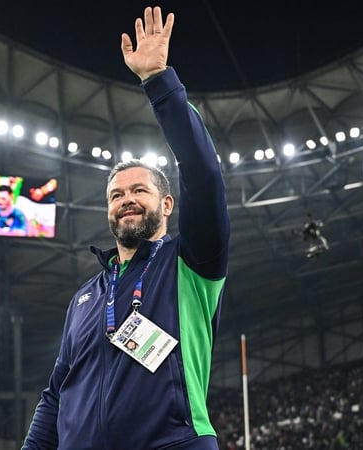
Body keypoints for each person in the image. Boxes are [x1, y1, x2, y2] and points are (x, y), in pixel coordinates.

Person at [22, 6, 230, 450]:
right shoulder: (83, 298)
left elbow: (204, 172)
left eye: (139, 191)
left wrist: (159, 82)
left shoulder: (192, 262)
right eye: (116, 195)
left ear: (167, 204)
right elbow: (55, 395)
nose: (126, 200)